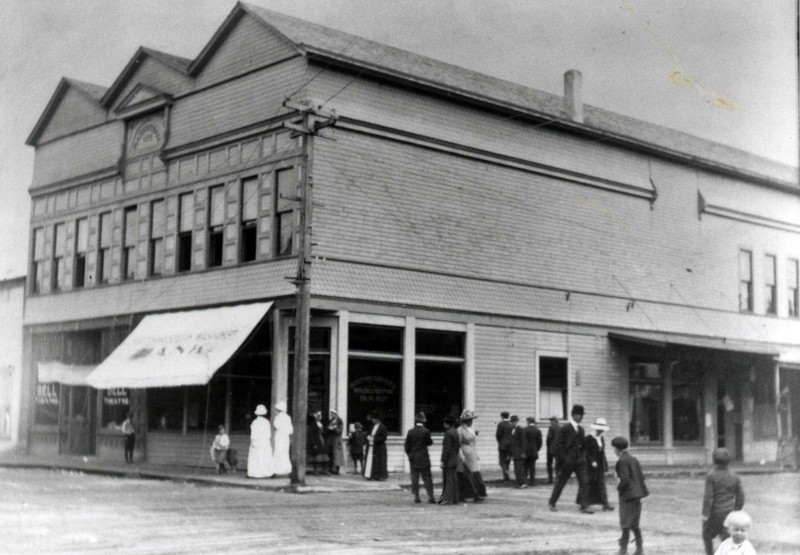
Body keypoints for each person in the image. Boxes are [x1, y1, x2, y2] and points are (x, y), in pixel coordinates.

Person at [548, 404, 592, 513]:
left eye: (582, 415)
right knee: (561, 483)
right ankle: (552, 502)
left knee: (584, 482)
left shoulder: (581, 430)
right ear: (573, 415)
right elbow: (557, 446)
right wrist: (565, 459)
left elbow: (583, 445)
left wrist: (582, 457)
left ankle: (584, 506)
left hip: (579, 461)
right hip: (567, 462)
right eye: (579, 415)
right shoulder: (564, 429)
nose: (581, 417)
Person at [702, 447, 745, 555]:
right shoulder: (734, 476)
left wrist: (705, 514)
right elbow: (741, 496)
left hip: (714, 513)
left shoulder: (710, 476)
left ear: (714, 460)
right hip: (729, 513)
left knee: (707, 536)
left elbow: (708, 497)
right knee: (726, 539)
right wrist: (737, 510)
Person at [612, 436, 648, 555]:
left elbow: (625, 480)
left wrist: (619, 489)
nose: (614, 451)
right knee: (634, 524)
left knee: (625, 524)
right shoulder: (633, 459)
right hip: (637, 494)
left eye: (614, 448)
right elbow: (640, 477)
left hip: (627, 495)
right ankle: (639, 548)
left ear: (617, 449)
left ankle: (623, 549)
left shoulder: (621, 461)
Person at [404, 411, 435, 504]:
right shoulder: (426, 431)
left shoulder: (410, 431)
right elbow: (429, 442)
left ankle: (416, 496)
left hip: (413, 458)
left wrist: (409, 455)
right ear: (424, 422)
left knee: (414, 478)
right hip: (423, 457)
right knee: (427, 477)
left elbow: (406, 446)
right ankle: (430, 496)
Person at [583, 417, 613, 511]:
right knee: (588, 483)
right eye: (599, 430)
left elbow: (602, 452)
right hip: (589, 465)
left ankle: (605, 503)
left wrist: (604, 463)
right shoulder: (588, 438)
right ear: (596, 428)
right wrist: (591, 461)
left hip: (599, 464)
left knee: (601, 483)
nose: (601, 431)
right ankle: (585, 504)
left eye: (602, 430)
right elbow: (585, 452)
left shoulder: (601, 438)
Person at [457, 410, 486, 501]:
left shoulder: (471, 430)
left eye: (471, 420)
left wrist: (476, 454)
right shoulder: (460, 430)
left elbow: (474, 443)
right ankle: (470, 495)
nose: (470, 422)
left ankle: (478, 494)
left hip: (472, 454)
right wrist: (461, 455)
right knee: (467, 475)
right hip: (465, 455)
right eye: (468, 420)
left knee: (475, 474)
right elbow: (458, 444)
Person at [247, 404, 274, 478]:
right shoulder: (267, 422)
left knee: (256, 457)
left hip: (257, 441)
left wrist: (252, 442)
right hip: (265, 441)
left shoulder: (255, 422)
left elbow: (253, 435)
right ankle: (266, 473)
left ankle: (255, 473)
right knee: (265, 456)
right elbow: (269, 434)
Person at [439, 414, 460, 505]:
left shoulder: (448, 434)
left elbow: (446, 449)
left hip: (449, 460)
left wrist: (443, 460)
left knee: (448, 480)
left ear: (446, 423)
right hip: (455, 458)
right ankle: (455, 498)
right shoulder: (455, 432)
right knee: (454, 479)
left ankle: (448, 499)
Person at [364, 410, 388, 480]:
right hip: (371, 447)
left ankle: (380, 476)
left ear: (377, 419)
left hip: (379, 448)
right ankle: (370, 475)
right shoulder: (372, 426)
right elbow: (368, 434)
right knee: (370, 461)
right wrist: (368, 437)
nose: (372, 420)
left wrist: (374, 439)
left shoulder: (383, 427)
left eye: (373, 418)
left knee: (379, 462)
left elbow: (384, 437)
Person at [272, 400, 293, 475]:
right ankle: (286, 469)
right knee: (285, 453)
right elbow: (290, 430)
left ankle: (277, 470)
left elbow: (276, 426)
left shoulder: (277, 417)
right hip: (285, 437)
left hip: (279, 436)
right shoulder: (288, 417)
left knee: (278, 452)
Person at [306, 410, 329, 475]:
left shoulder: (321, 423)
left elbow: (323, 432)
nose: (320, 417)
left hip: (322, 439)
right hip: (316, 440)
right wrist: (313, 443)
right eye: (319, 416)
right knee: (316, 456)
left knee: (324, 455)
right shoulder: (313, 424)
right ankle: (315, 470)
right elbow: (311, 434)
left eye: (320, 416)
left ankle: (325, 470)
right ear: (316, 417)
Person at [523, 416, 543, 486]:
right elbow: (540, 443)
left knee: (525, 466)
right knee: (532, 467)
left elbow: (522, 441)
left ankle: (524, 480)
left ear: (528, 422)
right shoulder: (538, 430)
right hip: (534, 451)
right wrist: (536, 449)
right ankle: (532, 481)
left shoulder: (524, 430)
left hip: (526, 451)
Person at [509, 415, 527, 488]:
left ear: (515, 422)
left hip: (519, 453)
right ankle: (519, 483)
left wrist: (523, 452)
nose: (511, 424)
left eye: (512, 422)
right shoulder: (514, 430)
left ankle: (523, 483)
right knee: (517, 469)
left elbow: (523, 442)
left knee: (520, 469)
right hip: (515, 453)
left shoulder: (520, 429)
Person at [495, 411, 514, 481]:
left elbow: (498, 435)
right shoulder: (510, 424)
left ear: (502, 416)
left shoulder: (500, 424)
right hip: (510, 445)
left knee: (501, 461)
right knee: (507, 460)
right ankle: (506, 475)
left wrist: (500, 442)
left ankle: (505, 472)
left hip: (502, 444)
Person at [326, 409, 345, 475]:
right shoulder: (330, 421)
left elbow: (340, 430)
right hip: (330, 439)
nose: (331, 415)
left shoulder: (339, 421)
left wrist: (333, 429)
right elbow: (327, 429)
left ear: (335, 414)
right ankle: (331, 469)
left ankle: (337, 470)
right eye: (331, 413)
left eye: (332, 413)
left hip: (337, 439)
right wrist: (328, 429)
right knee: (330, 454)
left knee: (337, 455)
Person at [545, 415, 560, 484]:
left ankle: (550, 478)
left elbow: (549, 437)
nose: (550, 422)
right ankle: (557, 478)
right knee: (558, 464)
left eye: (551, 421)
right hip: (558, 448)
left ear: (554, 421)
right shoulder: (561, 428)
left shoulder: (551, 428)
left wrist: (548, 444)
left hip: (551, 448)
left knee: (549, 464)